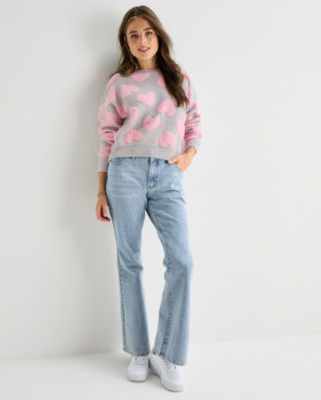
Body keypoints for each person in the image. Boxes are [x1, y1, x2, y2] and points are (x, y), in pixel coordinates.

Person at [95, 5, 202, 392]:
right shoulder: (118, 83)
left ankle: (167, 353)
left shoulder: (179, 78)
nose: (142, 41)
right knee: (130, 261)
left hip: (168, 173)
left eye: (147, 33)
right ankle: (139, 351)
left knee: (182, 261)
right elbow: (107, 134)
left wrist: (188, 157)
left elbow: (194, 123)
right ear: (125, 42)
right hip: (124, 171)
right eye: (133, 35)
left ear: (158, 35)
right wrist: (100, 188)